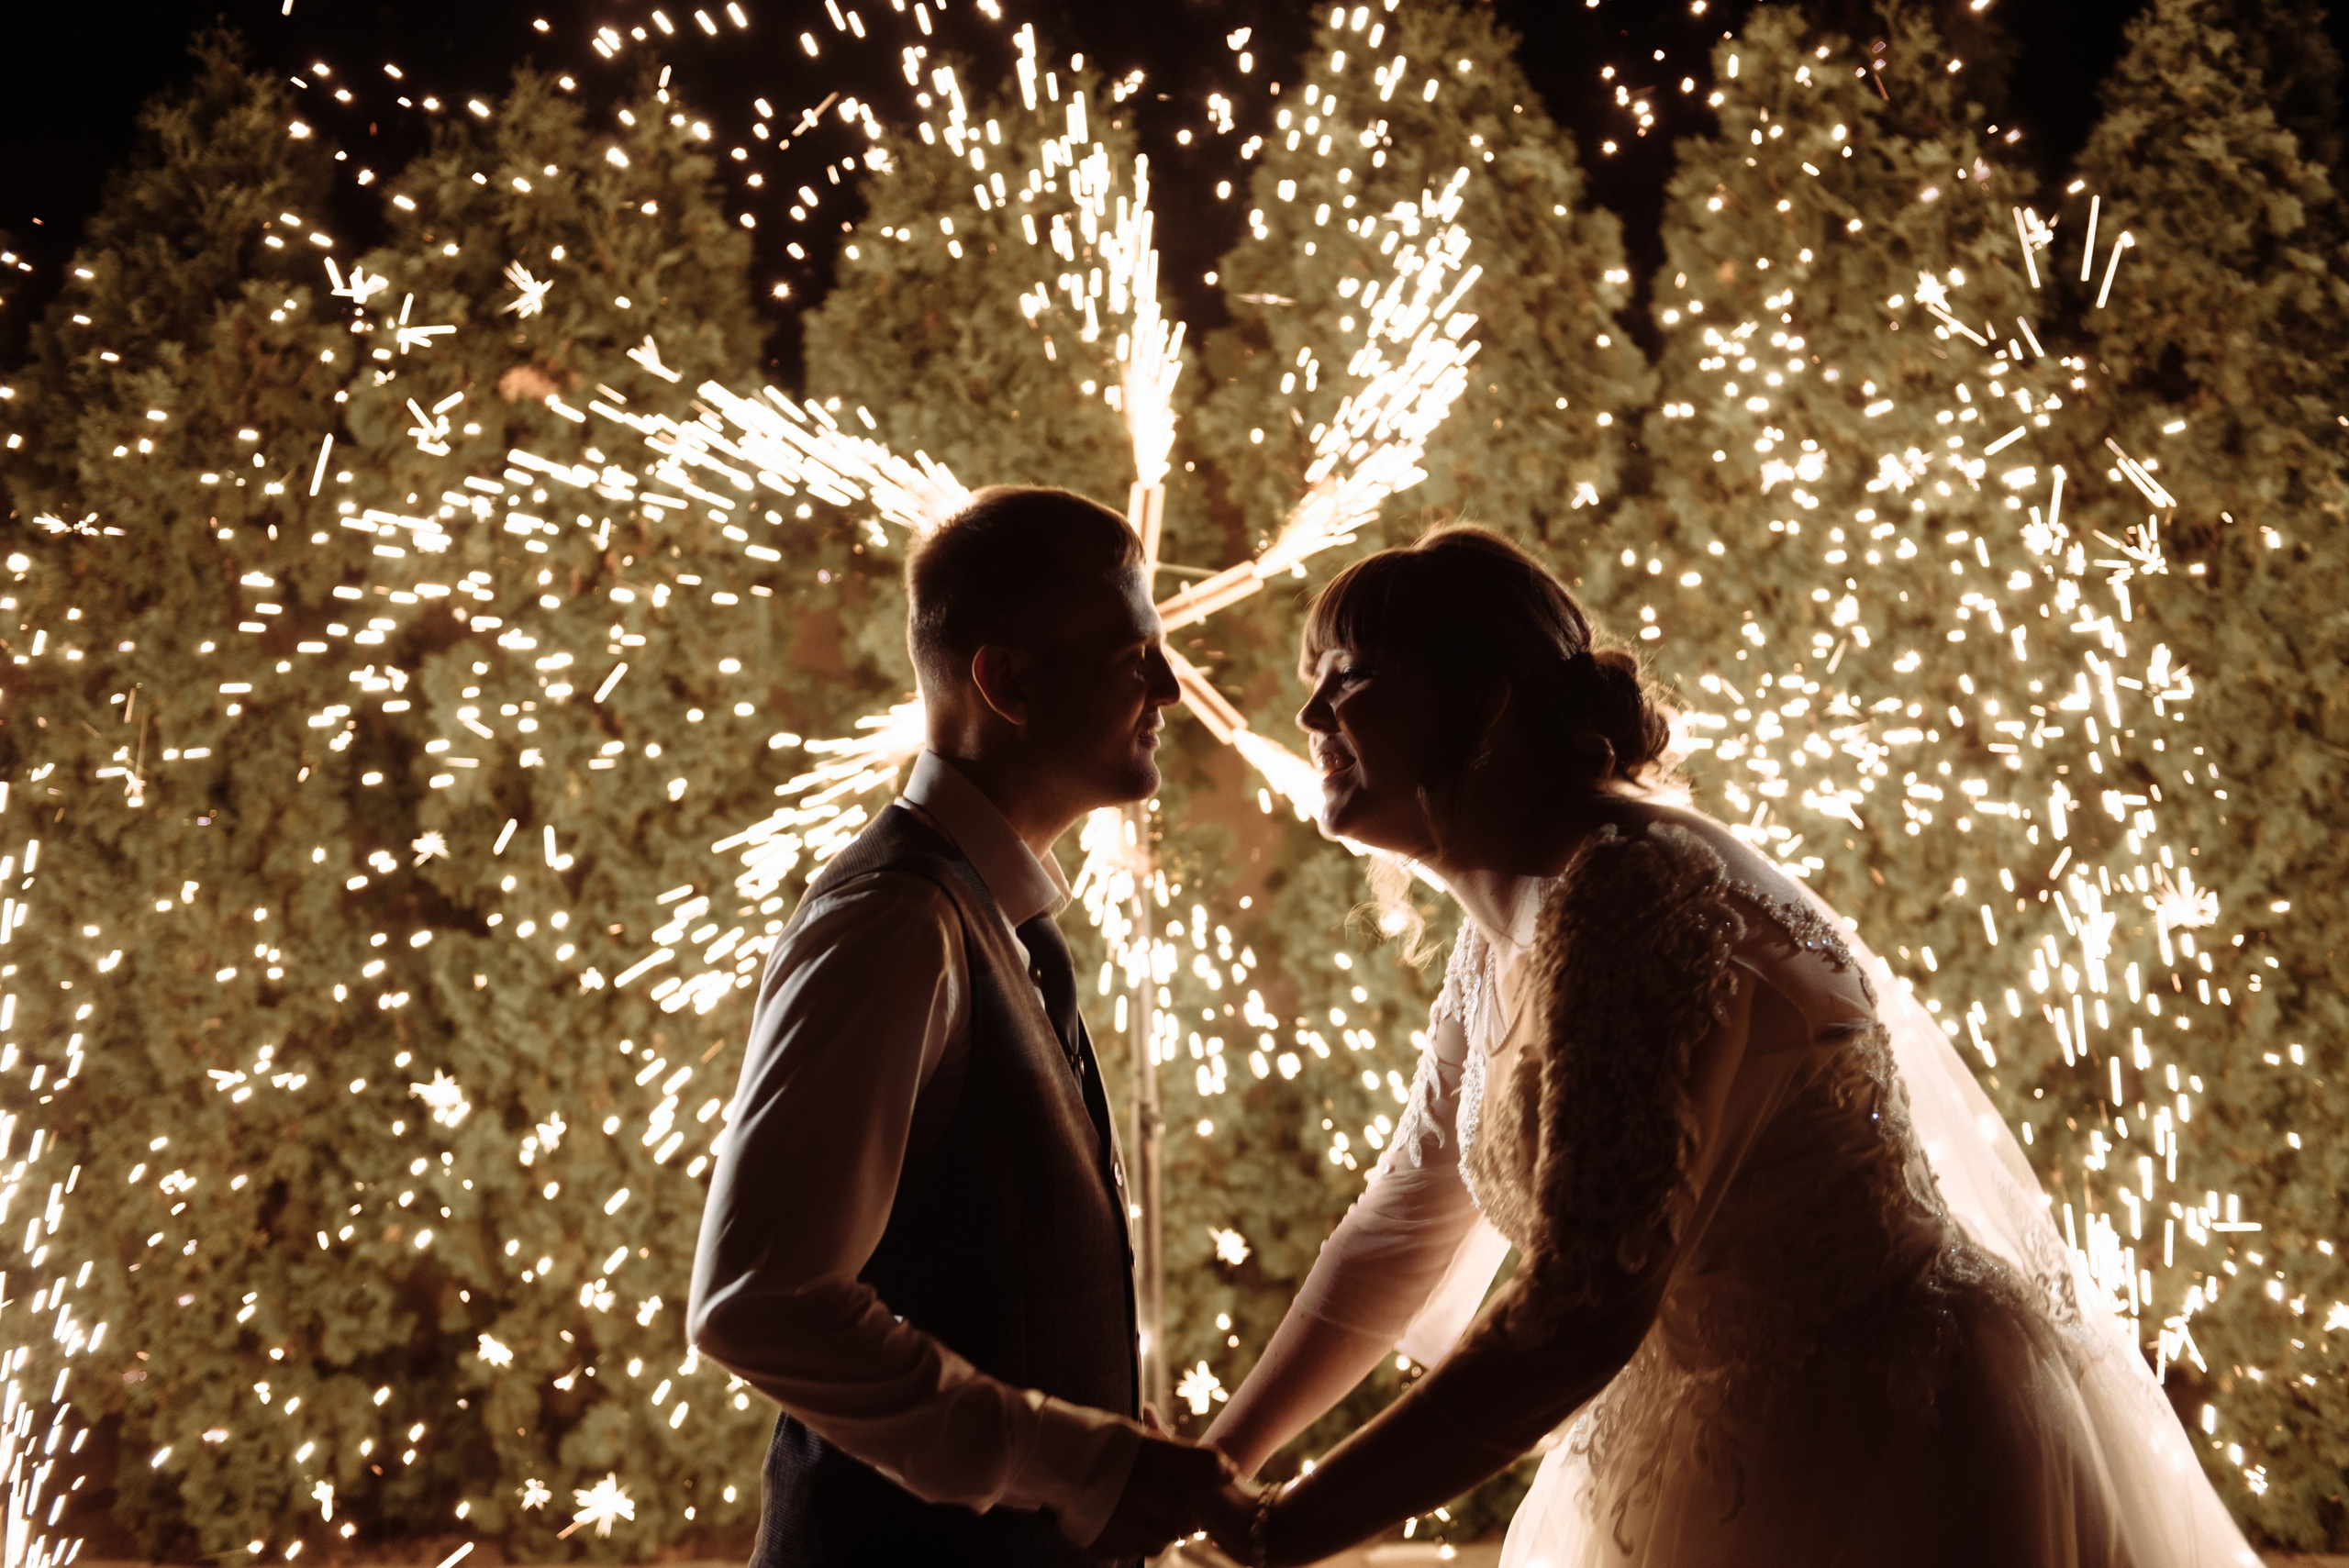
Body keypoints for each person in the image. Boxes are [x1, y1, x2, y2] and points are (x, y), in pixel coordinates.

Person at [1188, 526, 2261, 1568]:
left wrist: (1295, 1527)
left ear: (1486, 697)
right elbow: (1401, 1223)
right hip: (1706, 1434)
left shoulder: (1629, 894)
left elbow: (1578, 1307)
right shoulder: (1514, 918)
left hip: (1865, 1442)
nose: (1310, 712)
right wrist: (1208, 1464)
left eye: (1351, 674)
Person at [685, 485, 1230, 1567]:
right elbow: (758, 1299)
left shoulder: (996, 918)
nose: (1172, 687)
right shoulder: (893, 923)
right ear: (1008, 681)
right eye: (1135, 657)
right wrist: (1069, 1460)